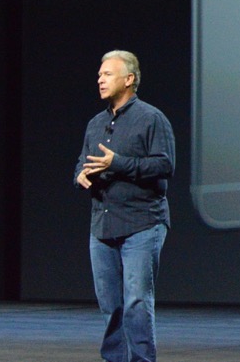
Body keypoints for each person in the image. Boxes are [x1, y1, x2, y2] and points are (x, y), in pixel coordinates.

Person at [74, 49, 176, 362]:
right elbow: (82, 161)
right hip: (102, 225)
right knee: (110, 305)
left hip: (141, 223)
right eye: (99, 74)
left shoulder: (151, 119)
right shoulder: (96, 123)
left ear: (129, 79)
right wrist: (80, 175)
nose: (100, 79)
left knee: (136, 302)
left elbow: (164, 165)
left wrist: (117, 163)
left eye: (107, 74)